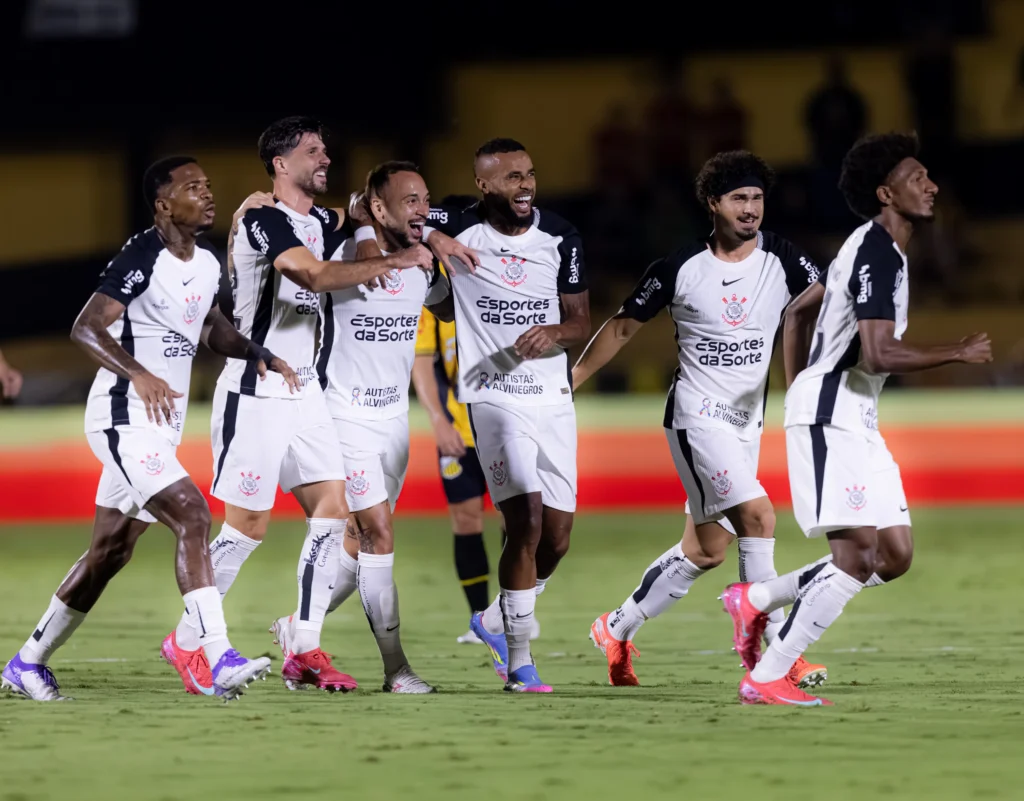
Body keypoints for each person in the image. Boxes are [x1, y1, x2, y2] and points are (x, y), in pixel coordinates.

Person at [2, 157, 292, 701]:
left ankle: (27, 662)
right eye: (192, 188)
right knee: (194, 514)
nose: (207, 194)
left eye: (208, 185)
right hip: (121, 418)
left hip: (159, 427)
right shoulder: (143, 255)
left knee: (109, 552)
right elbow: (85, 327)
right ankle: (217, 655)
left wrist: (255, 351)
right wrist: (138, 373)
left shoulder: (206, 261)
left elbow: (209, 326)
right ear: (163, 204)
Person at [723, 132, 992, 706]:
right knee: (855, 558)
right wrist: (958, 351)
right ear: (885, 193)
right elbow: (878, 352)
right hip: (833, 415)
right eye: (917, 177)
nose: (931, 185)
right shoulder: (876, 253)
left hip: (853, 415)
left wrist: (800, 386)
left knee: (893, 555)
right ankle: (768, 675)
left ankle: (757, 599)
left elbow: (797, 313)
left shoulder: (870, 247)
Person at [167, 117, 433, 694]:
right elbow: (310, 274)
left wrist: (388, 231)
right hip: (254, 387)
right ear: (281, 164)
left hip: (305, 389)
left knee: (331, 513)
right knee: (247, 529)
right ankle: (188, 641)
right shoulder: (262, 220)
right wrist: (392, 261)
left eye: (325, 150)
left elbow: (361, 207)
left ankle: (305, 649)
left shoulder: (321, 220)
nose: (325, 159)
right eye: (313, 151)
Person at [573, 150, 827, 689]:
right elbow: (622, 326)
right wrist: (572, 378)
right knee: (758, 517)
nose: (750, 208)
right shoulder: (679, 266)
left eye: (757, 198)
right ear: (713, 203)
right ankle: (776, 657)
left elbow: (821, 302)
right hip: (697, 417)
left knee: (707, 550)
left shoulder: (783, 258)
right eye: (738, 199)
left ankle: (614, 628)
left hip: (746, 423)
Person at [268, 161, 460, 693]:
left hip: (393, 422)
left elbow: (446, 309)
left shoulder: (421, 265)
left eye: (426, 199)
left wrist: (437, 248)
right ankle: (396, 670)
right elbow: (345, 215)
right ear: (378, 207)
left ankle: (297, 628)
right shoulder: (339, 254)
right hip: (342, 417)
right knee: (380, 532)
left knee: (359, 547)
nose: (422, 209)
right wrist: (361, 227)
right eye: (410, 200)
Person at [425, 138, 590, 692]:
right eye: (512, 177)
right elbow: (373, 207)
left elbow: (580, 320)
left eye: (530, 174)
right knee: (526, 521)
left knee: (557, 539)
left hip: (552, 397)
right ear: (483, 184)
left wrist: (556, 331)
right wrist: (433, 237)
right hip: (491, 392)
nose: (525, 185)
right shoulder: (457, 223)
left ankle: (495, 619)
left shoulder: (561, 235)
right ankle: (520, 663)